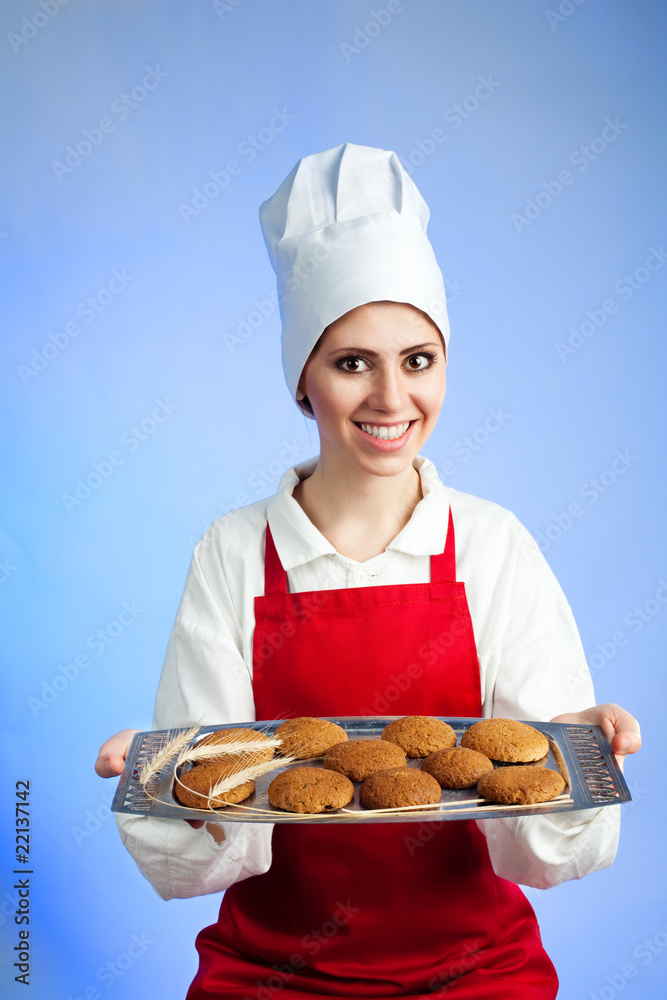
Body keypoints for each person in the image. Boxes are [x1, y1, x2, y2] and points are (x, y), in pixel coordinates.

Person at [96, 143, 640, 998]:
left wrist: (572, 757)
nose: (392, 399)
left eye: (417, 359)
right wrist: (170, 784)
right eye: (352, 362)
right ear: (302, 381)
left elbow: (539, 855)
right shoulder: (234, 552)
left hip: (478, 973)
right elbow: (205, 858)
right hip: (271, 976)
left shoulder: (493, 545)